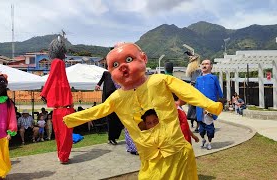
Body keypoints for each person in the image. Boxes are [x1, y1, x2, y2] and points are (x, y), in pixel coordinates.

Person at [64, 43, 223, 179]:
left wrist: (211, 105)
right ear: (110, 72)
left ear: (144, 58)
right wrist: (70, 119)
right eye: (115, 65)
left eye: (128, 59)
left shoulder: (159, 81)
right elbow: (97, 111)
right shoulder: (117, 97)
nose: (123, 67)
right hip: (150, 160)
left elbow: (188, 92)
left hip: (177, 153)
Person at [40, 32, 74, 164]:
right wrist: (44, 92)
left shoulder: (58, 63)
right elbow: (51, 77)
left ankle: (62, 156)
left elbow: (51, 77)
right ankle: (63, 156)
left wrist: (44, 93)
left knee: (61, 134)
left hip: (60, 108)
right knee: (64, 134)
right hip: (63, 108)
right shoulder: (59, 62)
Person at [195, 59, 224, 150]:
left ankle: (209, 142)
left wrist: (220, 104)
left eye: (207, 64)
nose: (204, 65)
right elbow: (195, 92)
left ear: (211, 66)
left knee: (210, 127)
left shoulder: (214, 78)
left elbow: (219, 92)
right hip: (200, 107)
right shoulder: (198, 79)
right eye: (202, 64)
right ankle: (203, 139)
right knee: (201, 128)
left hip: (210, 106)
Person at [95, 70, 123, 145]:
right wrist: (98, 85)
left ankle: (114, 137)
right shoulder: (106, 73)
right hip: (108, 101)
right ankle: (111, 138)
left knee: (118, 120)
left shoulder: (119, 73)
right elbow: (101, 81)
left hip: (117, 100)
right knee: (110, 120)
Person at [185, 51, 202, 131]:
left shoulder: (198, 70)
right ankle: (197, 125)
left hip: (197, 90)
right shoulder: (192, 71)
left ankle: (198, 125)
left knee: (196, 108)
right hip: (193, 90)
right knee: (193, 108)